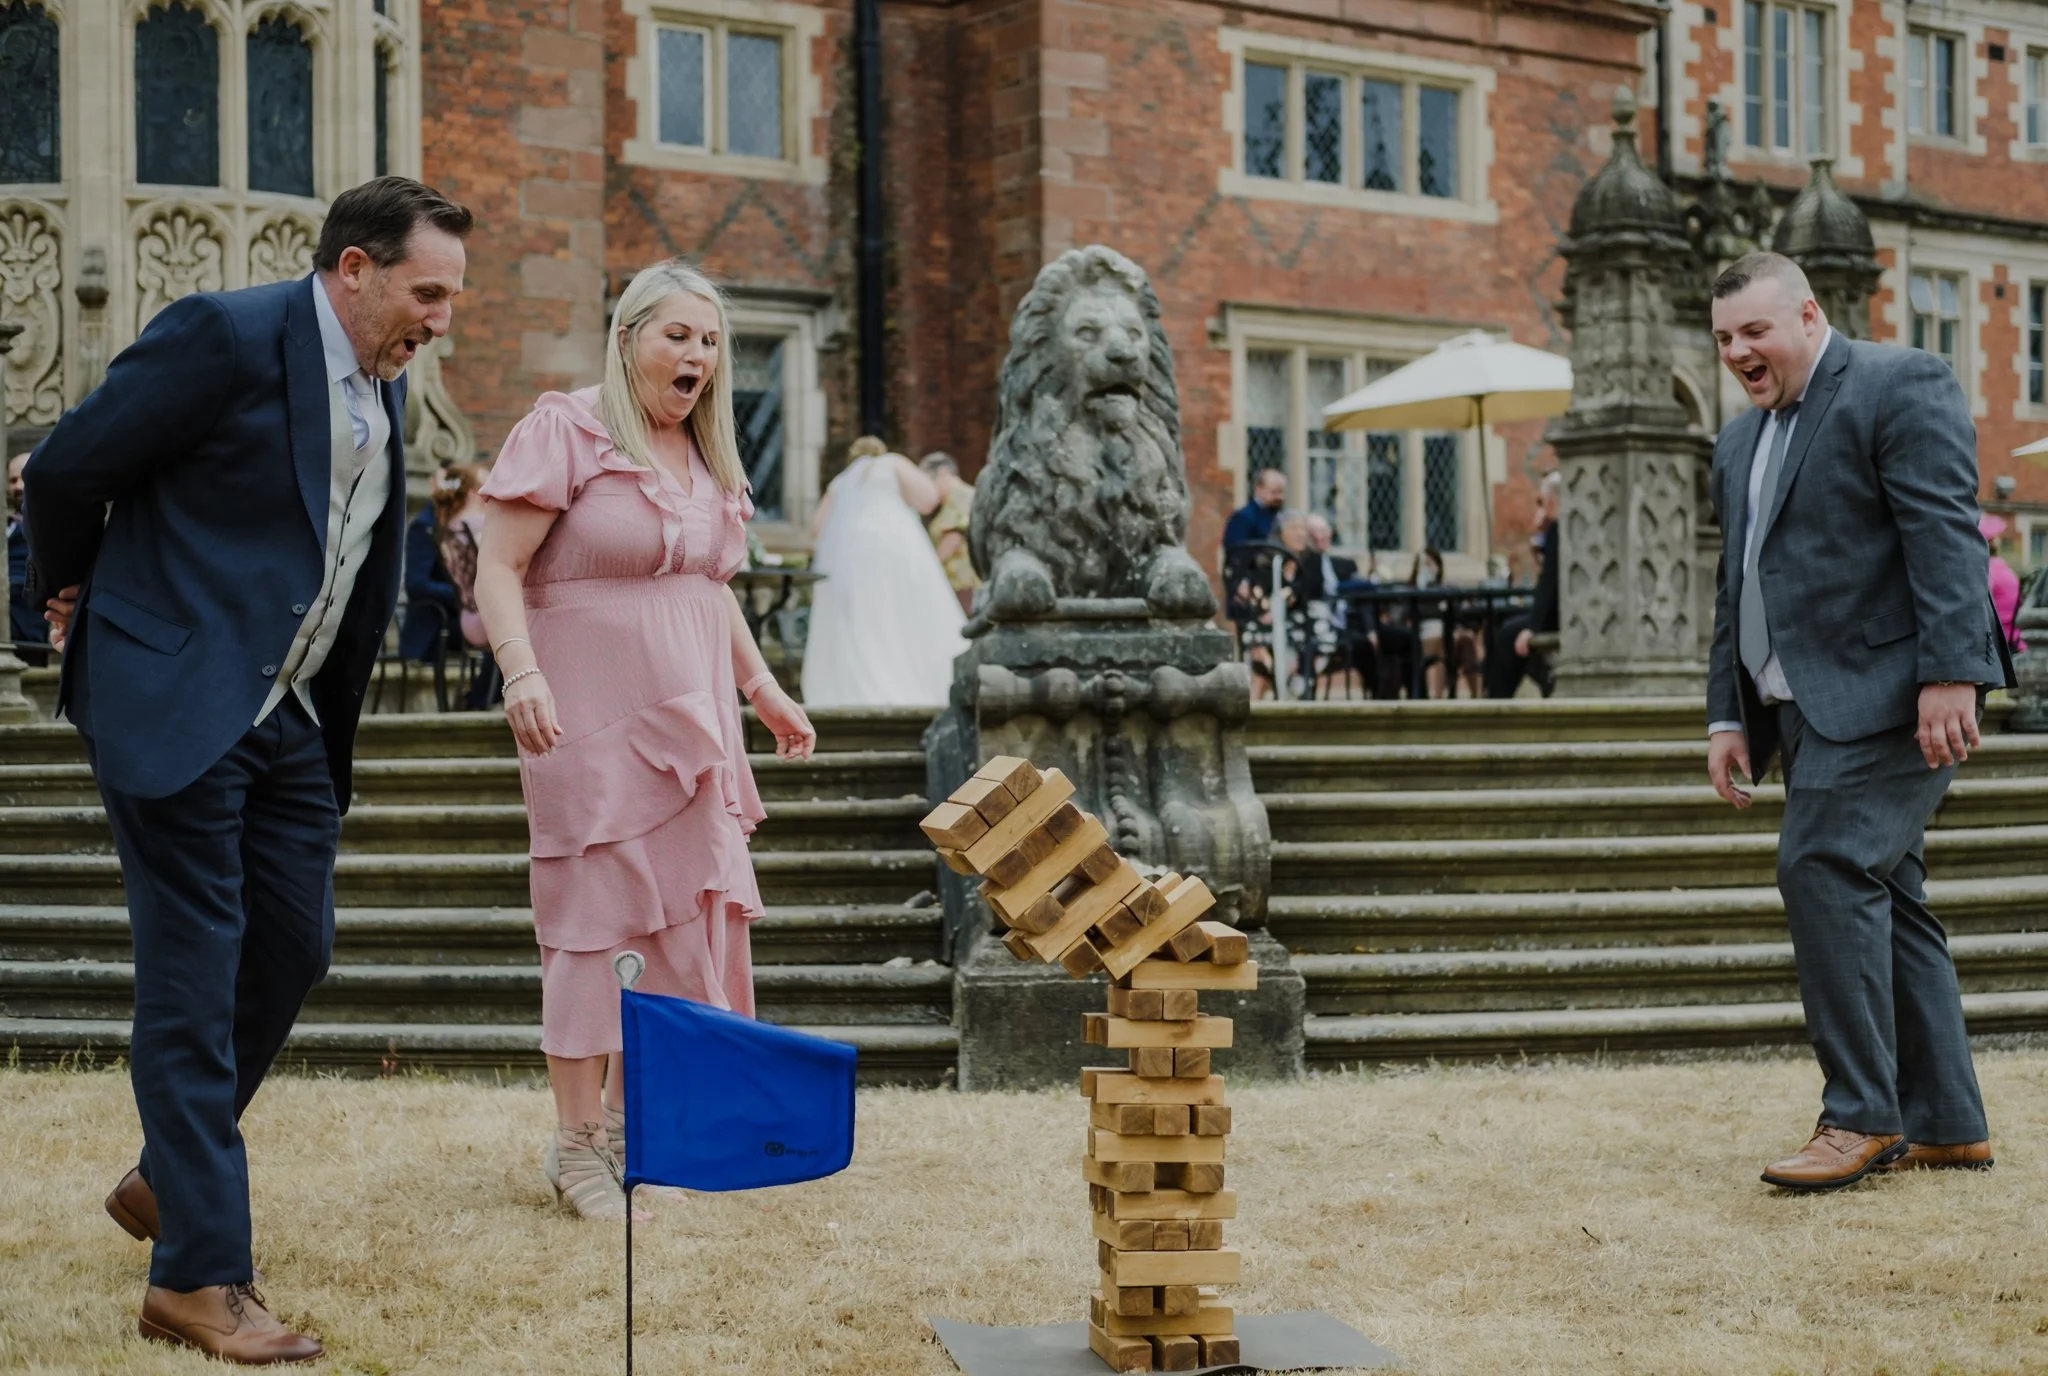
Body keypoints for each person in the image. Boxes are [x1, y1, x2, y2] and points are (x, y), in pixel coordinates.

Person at [22, 176, 471, 1363]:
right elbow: (65, 469)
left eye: (451, 296)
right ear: (354, 270)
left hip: (288, 715)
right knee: (193, 967)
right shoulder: (223, 335)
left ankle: (170, 1176)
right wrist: (69, 594)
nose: (440, 317)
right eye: (427, 291)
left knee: (295, 943)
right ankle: (199, 1273)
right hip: (173, 695)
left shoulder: (388, 382)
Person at [474, 259, 817, 1222]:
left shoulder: (706, 456)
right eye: (677, 335)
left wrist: (764, 688)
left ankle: (635, 1131)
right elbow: (498, 566)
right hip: (585, 715)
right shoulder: (568, 428)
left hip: (696, 720)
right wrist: (521, 671)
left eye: (710, 341)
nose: (697, 356)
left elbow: (710, 586)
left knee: (679, 924)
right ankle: (576, 1144)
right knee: (594, 923)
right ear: (627, 338)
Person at [1704, 252, 2015, 1192]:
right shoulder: (1735, 441)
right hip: (1798, 708)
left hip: (1895, 694)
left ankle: (1861, 1117)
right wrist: (1729, 714)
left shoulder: (1896, 381)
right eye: (1722, 338)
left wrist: (1953, 674)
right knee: (1892, 894)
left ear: (1807, 314)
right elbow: (1737, 589)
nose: (1738, 352)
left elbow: (1943, 535)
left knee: (1822, 864)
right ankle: (1948, 1124)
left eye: (1754, 331)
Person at [800, 437, 966, 706]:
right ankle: (904, 678)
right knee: (898, 614)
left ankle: (857, 687)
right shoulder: (892, 463)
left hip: (848, 557)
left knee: (860, 621)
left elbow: (817, 528)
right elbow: (928, 499)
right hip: (890, 548)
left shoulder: (841, 482)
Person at [1485, 471, 1561, 699]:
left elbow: (1550, 585)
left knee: (1509, 633)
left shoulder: (1559, 528)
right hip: (1558, 613)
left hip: (1559, 617)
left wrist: (1532, 629)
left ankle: (1497, 704)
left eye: (1541, 501)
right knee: (1502, 624)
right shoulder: (1555, 530)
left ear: (1551, 500)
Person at [399, 475, 462, 665]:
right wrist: (461, 593)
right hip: (434, 627)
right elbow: (416, 584)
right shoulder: (425, 526)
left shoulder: (459, 529)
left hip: (455, 619)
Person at [920, 451, 980, 613]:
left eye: (930, 482)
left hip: (964, 584)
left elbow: (954, 536)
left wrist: (927, 567)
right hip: (960, 583)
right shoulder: (956, 499)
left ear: (943, 474)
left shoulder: (961, 496)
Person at [7, 452, 50, 665]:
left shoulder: (53, 524)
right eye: (13, 480)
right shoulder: (7, 526)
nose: (18, 486)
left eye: (24, 478)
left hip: (28, 613)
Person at [1984, 514, 2025, 653]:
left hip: (2003, 639)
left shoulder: (1988, 569)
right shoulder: (2001, 564)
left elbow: (1985, 603)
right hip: (2016, 634)